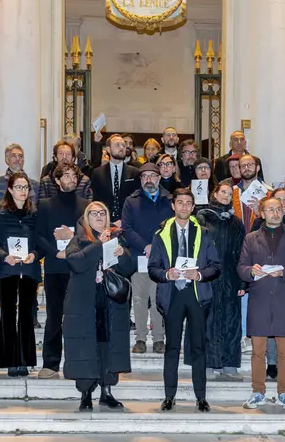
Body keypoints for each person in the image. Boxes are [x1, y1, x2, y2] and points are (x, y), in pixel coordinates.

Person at [148, 188, 222, 412]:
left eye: (188, 203)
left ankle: (201, 397)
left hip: (196, 294)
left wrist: (199, 274)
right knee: (171, 348)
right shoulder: (160, 234)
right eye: (179, 202)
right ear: (173, 205)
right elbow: (153, 268)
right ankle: (169, 396)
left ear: (193, 207)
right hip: (172, 295)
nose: (183, 207)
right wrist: (166, 274)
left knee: (198, 347)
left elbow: (216, 266)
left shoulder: (205, 233)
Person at [238, 196, 285, 410]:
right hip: (259, 299)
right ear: (262, 213)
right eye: (270, 209)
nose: (275, 213)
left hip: (284, 299)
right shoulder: (250, 238)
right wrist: (250, 271)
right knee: (258, 351)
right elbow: (241, 266)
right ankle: (258, 391)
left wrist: (284, 272)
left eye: (278, 209)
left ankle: (284, 392)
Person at [63, 201, 135, 412]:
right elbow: (74, 262)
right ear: (87, 218)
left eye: (102, 213)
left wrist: (123, 254)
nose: (99, 217)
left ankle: (106, 391)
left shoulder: (116, 238)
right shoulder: (79, 239)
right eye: (94, 214)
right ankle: (86, 393)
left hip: (109, 304)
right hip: (84, 303)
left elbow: (129, 268)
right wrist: (98, 245)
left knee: (107, 345)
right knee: (86, 346)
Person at [34, 163, 89, 379]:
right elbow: (39, 235)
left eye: (74, 175)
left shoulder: (86, 206)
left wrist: (72, 234)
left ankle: (78, 362)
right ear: (57, 180)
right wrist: (55, 253)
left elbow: (91, 234)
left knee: (78, 317)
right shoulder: (46, 205)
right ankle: (51, 363)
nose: (71, 179)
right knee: (54, 317)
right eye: (66, 175)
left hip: (78, 269)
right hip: (55, 267)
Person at [0, 172, 43, 377]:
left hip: (28, 269)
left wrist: (34, 255)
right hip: (7, 269)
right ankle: (10, 360)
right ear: (9, 189)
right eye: (18, 187)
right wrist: (4, 256)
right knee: (8, 313)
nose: (23, 191)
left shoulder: (35, 213)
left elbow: (42, 243)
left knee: (27, 314)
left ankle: (26, 360)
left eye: (26, 187)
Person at [121, 163, 173, 354]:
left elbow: (173, 227)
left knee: (158, 298)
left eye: (152, 176)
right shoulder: (131, 201)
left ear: (159, 178)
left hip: (162, 259)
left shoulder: (170, 200)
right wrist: (145, 245)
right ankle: (141, 338)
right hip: (139, 256)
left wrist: (157, 247)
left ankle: (159, 338)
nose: (148, 180)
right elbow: (126, 229)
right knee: (140, 299)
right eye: (144, 177)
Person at [196, 183, 246, 379]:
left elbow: (243, 253)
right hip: (208, 276)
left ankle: (229, 364)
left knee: (231, 320)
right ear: (214, 194)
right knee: (207, 320)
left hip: (231, 277)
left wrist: (243, 281)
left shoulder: (236, 222)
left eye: (229, 193)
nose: (226, 195)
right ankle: (208, 363)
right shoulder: (202, 217)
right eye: (222, 192)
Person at [91, 133, 141, 225]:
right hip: (104, 222)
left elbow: (137, 200)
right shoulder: (97, 173)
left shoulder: (134, 172)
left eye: (123, 145)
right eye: (117, 145)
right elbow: (96, 201)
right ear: (108, 149)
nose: (122, 148)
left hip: (128, 222)